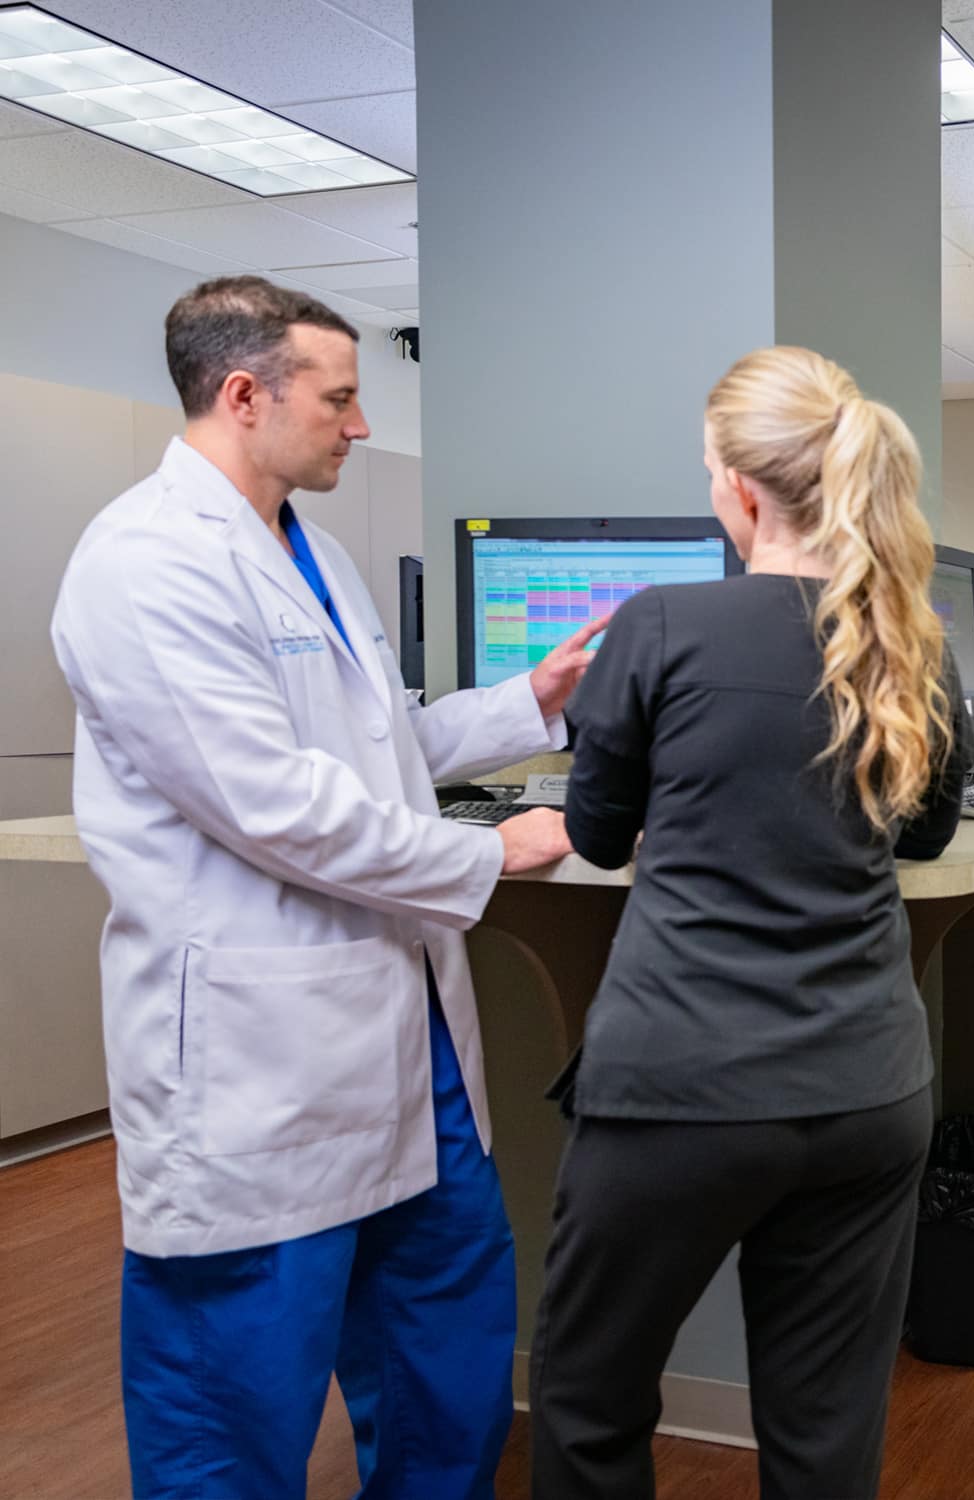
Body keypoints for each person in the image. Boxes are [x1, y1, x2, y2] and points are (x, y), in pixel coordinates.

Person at [49, 275, 585, 1499]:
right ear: (245, 394)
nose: (358, 425)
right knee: (232, 1405)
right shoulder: (143, 562)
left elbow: (368, 744)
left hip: (405, 1046)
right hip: (261, 1067)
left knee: (445, 1359)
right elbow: (270, 802)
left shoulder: (322, 555)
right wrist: (489, 852)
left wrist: (524, 708)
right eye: (340, 399)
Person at [528, 346, 973, 1500]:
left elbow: (595, 834)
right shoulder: (915, 651)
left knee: (587, 1398)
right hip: (866, 1093)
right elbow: (921, 839)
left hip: (679, 1093)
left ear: (735, 490)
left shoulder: (662, 626)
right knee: (825, 1432)